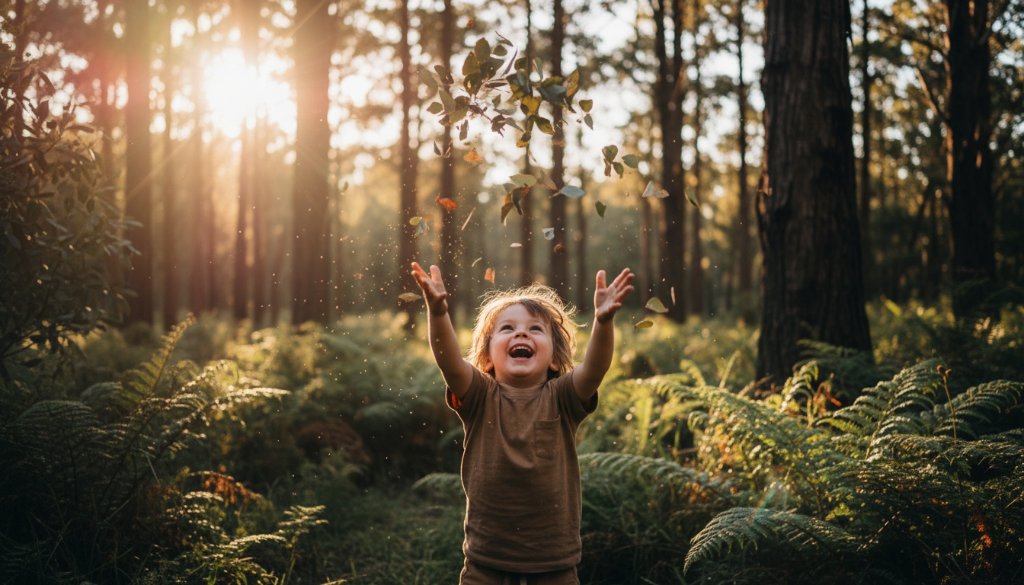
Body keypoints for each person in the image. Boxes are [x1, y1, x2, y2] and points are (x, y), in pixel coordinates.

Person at [411, 262, 635, 585]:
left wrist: (603, 322)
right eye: (507, 329)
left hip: (554, 564)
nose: (521, 333)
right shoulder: (479, 396)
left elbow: (594, 370)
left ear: (555, 359)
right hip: (485, 562)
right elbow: (448, 361)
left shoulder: (563, 398)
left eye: (535, 329)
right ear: (486, 357)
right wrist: (437, 312)